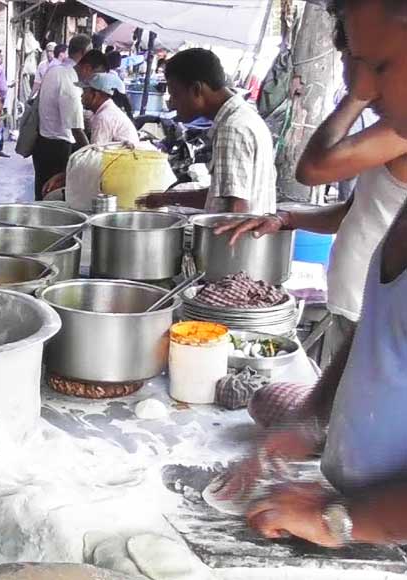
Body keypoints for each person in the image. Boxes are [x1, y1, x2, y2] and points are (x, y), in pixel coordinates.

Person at [213, 0, 407, 548]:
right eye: (356, 60)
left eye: (383, 65)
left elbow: (313, 165)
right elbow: (380, 332)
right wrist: (315, 418)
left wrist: (343, 521)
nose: (361, 84)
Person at [213, 16, 407, 362]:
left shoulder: (398, 130)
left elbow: (313, 170)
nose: (351, 73)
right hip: (354, 305)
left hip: (369, 314)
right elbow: (352, 211)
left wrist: (358, 95)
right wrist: (287, 218)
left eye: (368, 62)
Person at [138, 48, 277, 214]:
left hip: (239, 239)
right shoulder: (244, 117)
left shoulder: (232, 128)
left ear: (197, 90)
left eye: (175, 94)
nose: (172, 104)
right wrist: (167, 198)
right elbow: (222, 196)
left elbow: (237, 209)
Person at [41, 72, 140, 194]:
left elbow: (94, 162)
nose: (81, 97)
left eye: (84, 92)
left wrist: (64, 178)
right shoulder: (105, 113)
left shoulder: (104, 117)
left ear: (96, 95)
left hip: (118, 178)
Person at [33, 36, 104, 199]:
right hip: (57, 147)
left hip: (44, 142)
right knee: (53, 197)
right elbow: (76, 128)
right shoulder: (68, 79)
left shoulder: (55, 70)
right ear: (84, 53)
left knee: (43, 195)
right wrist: (92, 155)